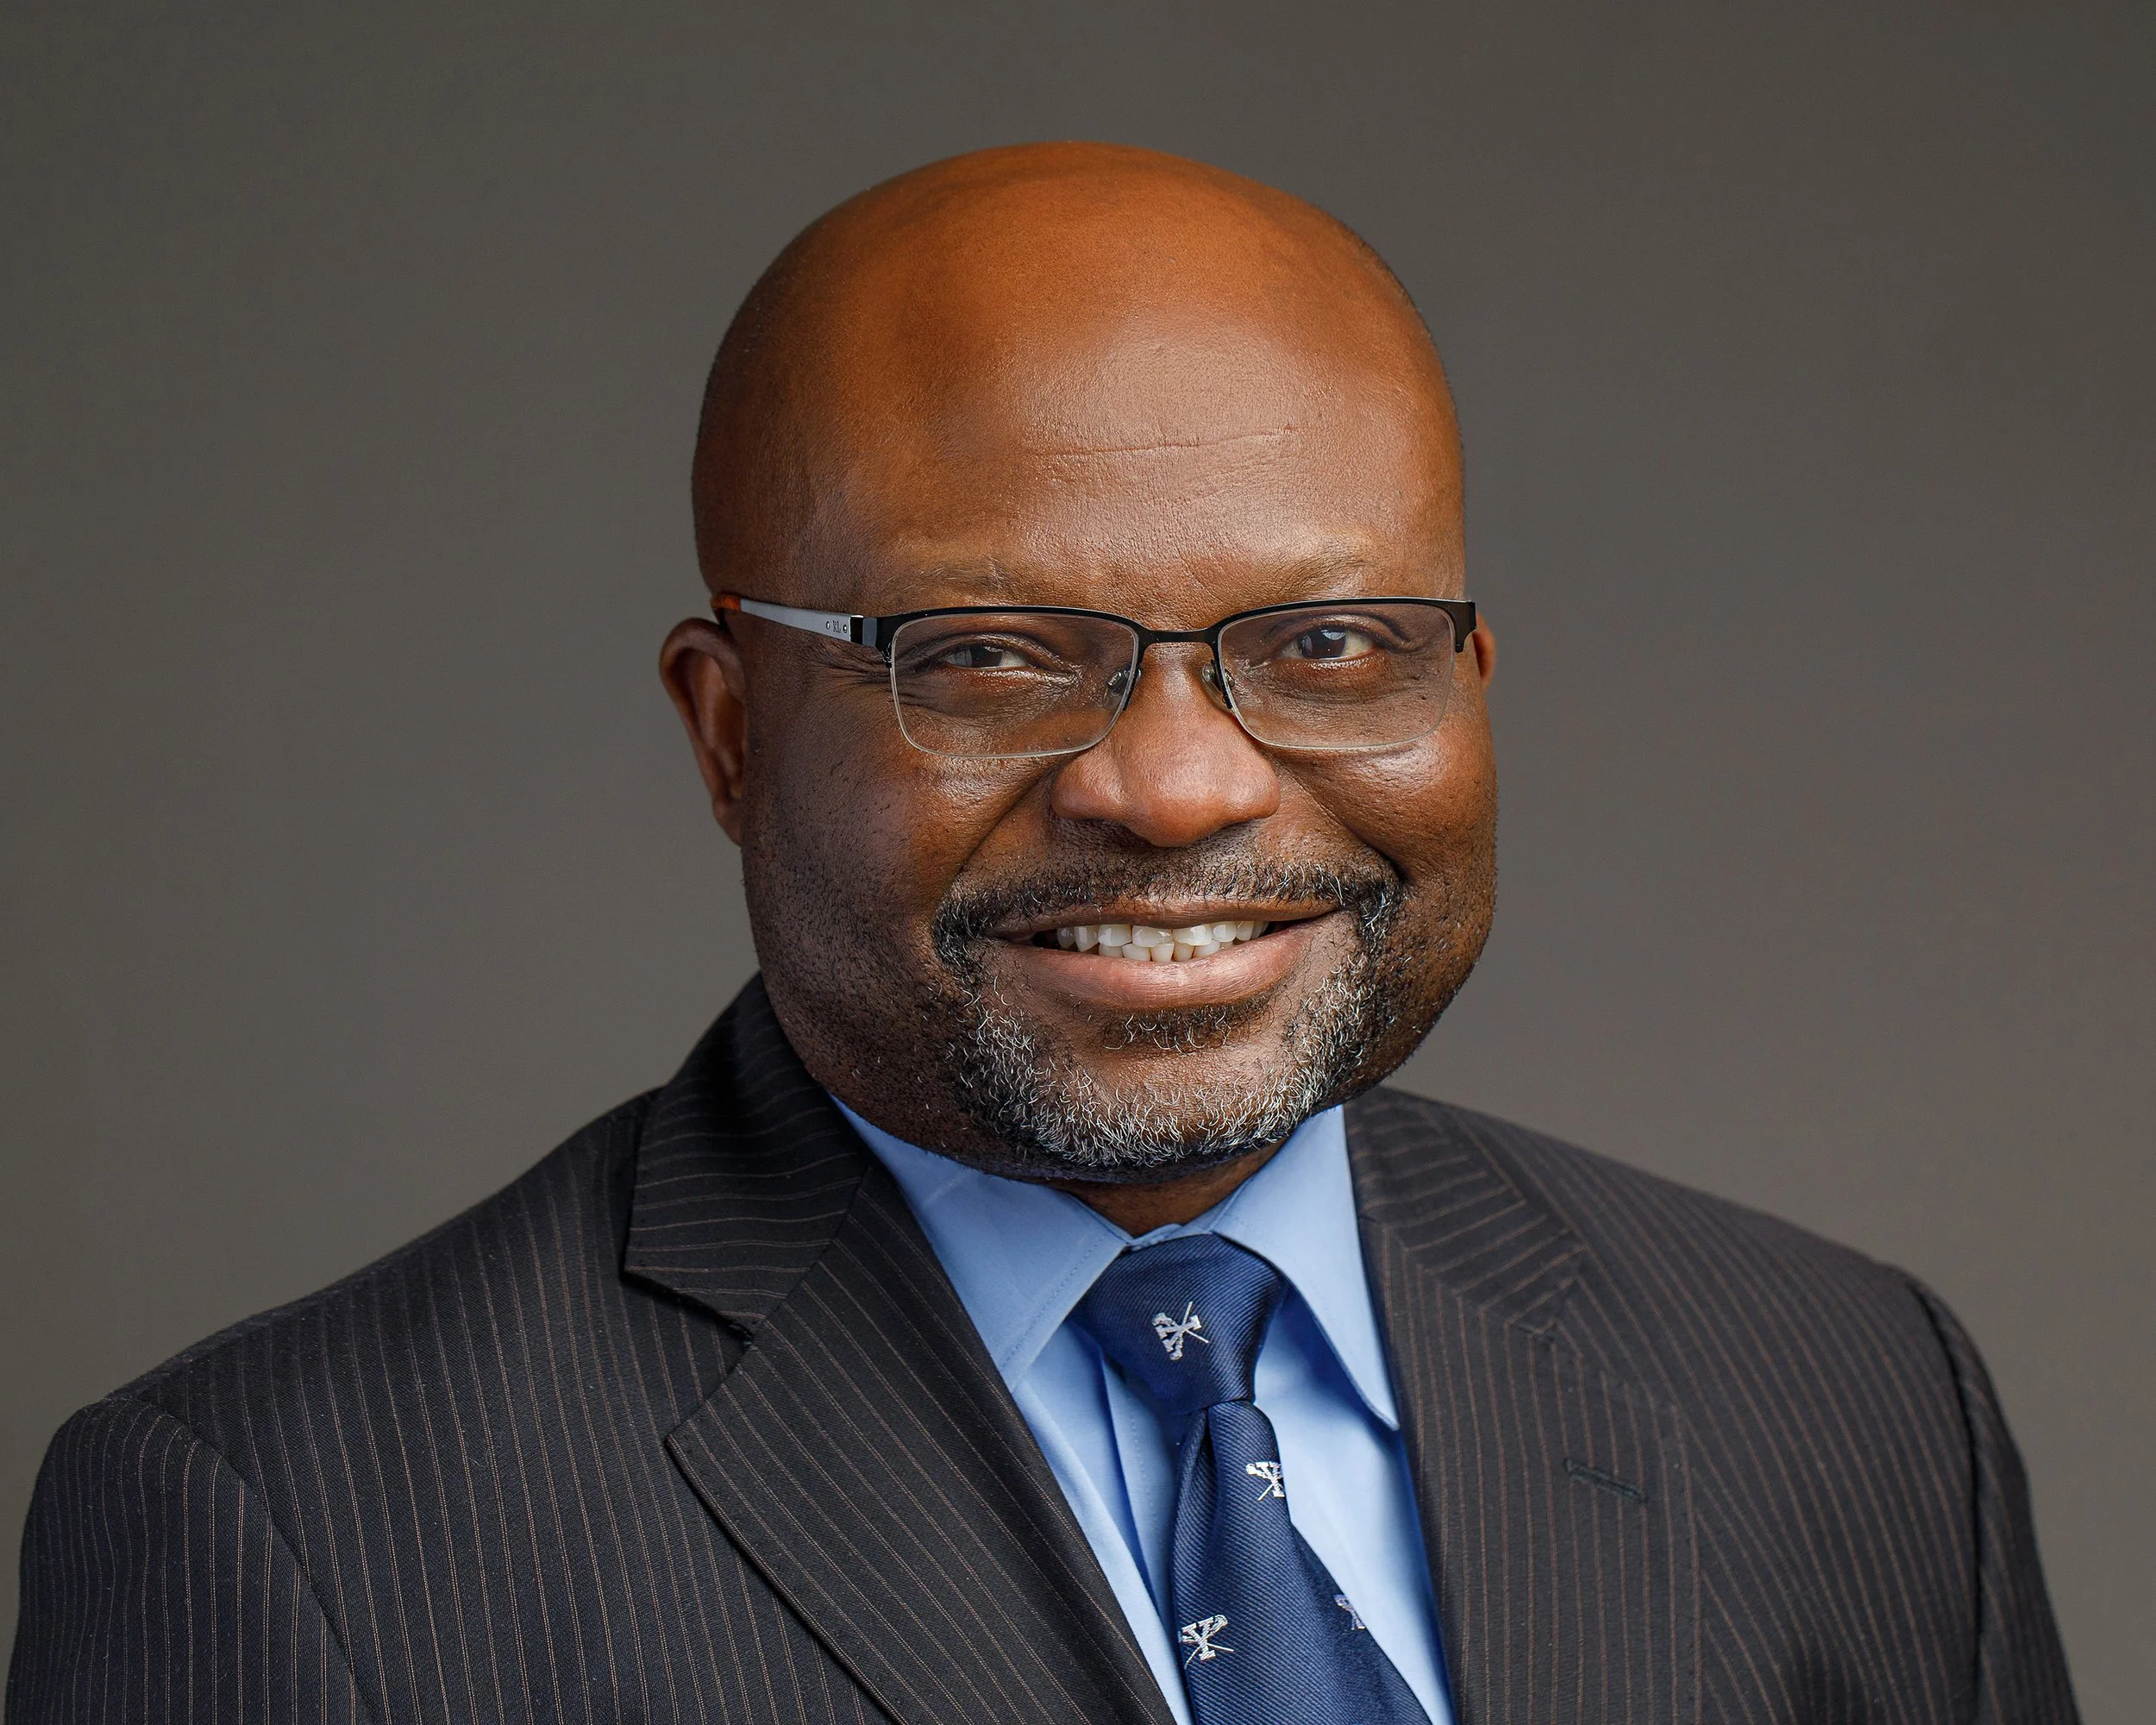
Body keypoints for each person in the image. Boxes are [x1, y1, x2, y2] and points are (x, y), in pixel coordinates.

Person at [8, 142, 2077, 1725]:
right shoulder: (288, 1531)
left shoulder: (1847, 1393)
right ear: (729, 731)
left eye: (1327, 642)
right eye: (989, 654)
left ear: (1464, 678)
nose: (1174, 788)